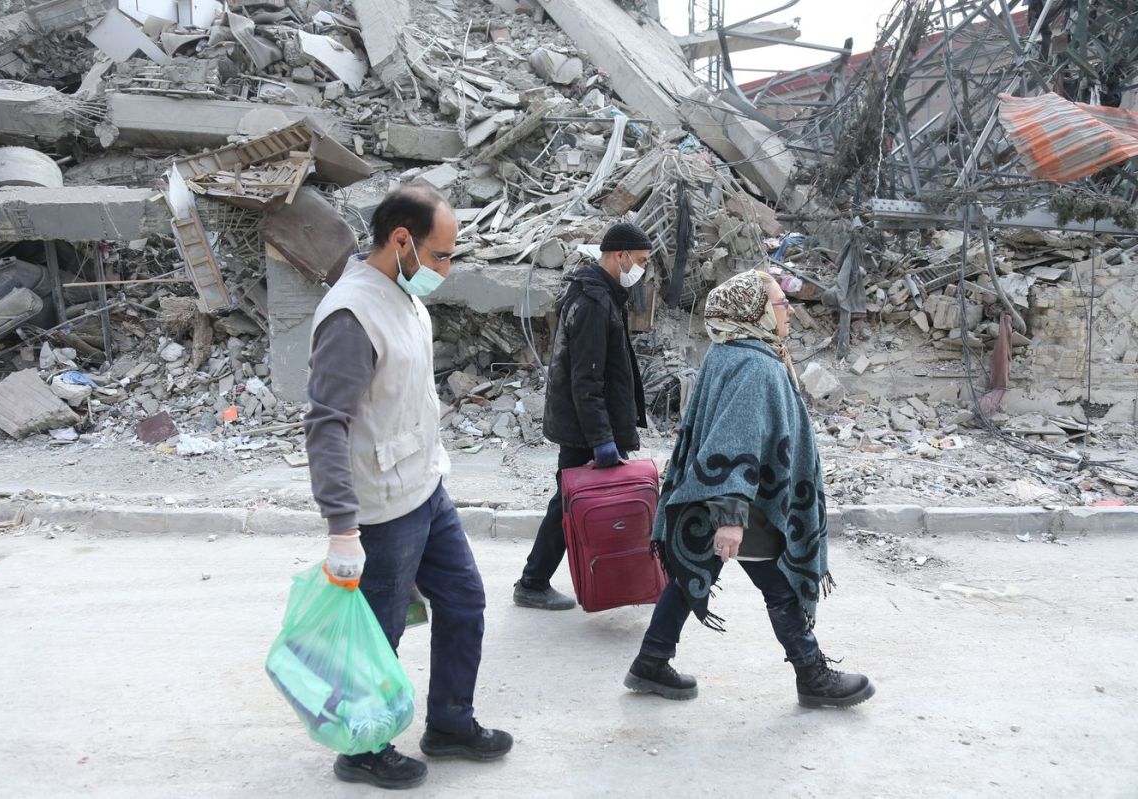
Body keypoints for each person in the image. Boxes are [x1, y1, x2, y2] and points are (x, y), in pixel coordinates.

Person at [305, 184, 512, 790]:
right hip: (380, 509)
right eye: (442, 255)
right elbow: (325, 426)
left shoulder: (403, 294)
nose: (448, 268)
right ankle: (363, 749)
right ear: (401, 241)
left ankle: (450, 722)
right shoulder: (351, 316)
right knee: (379, 635)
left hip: (424, 487)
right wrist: (343, 528)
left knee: (464, 599)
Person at [623, 269, 875, 709]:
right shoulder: (755, 367)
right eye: (780, 303)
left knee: (690, 577)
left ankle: (651, 660)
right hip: (747, 505)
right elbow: (733, 445)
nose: (790, 310)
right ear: (753, 312)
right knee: (779, 587)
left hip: (718, 497)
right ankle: (812, 675)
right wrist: (731, 519)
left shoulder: (730, 352)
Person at [513, 222, 651, 610]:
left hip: (584, 424)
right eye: (639, 261)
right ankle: (534, 582)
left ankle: (613, 581)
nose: (641, 269)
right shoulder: (593, 301)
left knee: (576, 503)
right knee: (572, 505)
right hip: (584, 428)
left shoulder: (601, 292)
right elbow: (586, 380)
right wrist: (601, 439)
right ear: (619, 255)